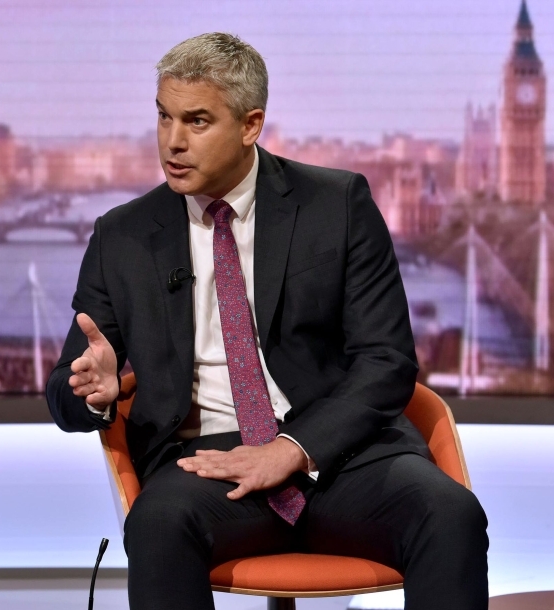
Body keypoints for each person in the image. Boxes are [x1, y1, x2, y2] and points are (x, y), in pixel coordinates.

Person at [46, 33, 488, 610]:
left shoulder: (338, 204)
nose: (172, 142)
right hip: (206, 465)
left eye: (197, 121)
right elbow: (63, 391)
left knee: (449, 515)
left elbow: (386, 361)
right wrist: (93, 393)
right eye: (164, 117)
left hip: (340, 454)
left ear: (251, 124)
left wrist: (293, 447)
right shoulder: (122, 236)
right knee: (157, 525)